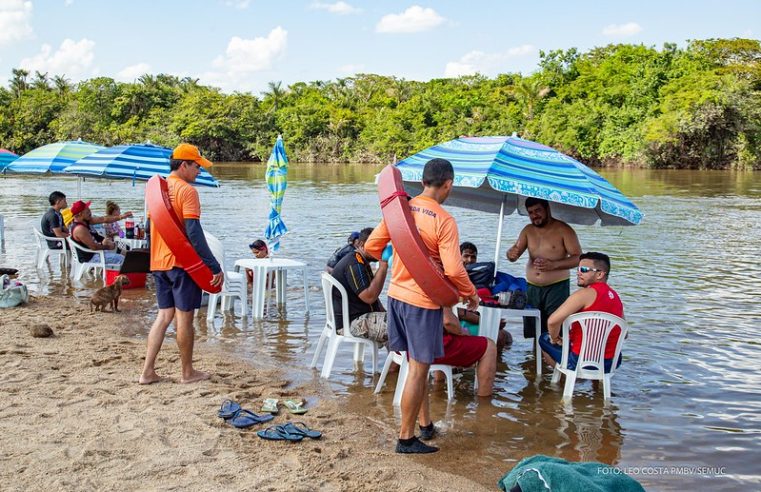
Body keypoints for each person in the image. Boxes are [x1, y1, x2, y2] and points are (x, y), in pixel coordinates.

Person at [365, 158, 479, 454]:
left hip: (396, 298)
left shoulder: (399, 210)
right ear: (448, 184)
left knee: (419, 364)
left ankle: (425, 425)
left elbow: (372, 248)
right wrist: (471, 294)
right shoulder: (444, 220)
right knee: (418, 370)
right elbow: (454, 271)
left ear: (423, 180)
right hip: (422, 303)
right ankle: (405, 438)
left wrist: (407, 257)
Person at [139, 143, 223, 385]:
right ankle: (187, 373)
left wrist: (153, 259)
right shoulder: (187, 192)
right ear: (184, 165)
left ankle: (147, 372)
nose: (199, 171)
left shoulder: (157, 191)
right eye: (197, 166)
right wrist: (213, 266)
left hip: (158, 263)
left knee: (163, 315)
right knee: (184, 318)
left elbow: (148, 229)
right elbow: (194, 233)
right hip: (181, 264)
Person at [506, 197, 582, 337]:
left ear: (547, 208)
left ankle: (553, 358)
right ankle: (535, 358)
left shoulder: (563, 229)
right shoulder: (527, 230)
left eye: (538, 211)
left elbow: (579, 258)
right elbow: (514, 254)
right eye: (531, 212)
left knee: (555, 332)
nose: (534, 215)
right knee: (534, 331)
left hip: (556, 287)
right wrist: (510, 254)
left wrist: (554, 265)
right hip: (532, 288)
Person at [538, 252, 625, 372]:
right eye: (578, 269)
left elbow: (553, 321)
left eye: (584, 269)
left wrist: (555, 339)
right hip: (610, 363)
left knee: (543, 338)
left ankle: (566, 378)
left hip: (579, 361)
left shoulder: (583, 294)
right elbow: (624, 334)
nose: (578, 272)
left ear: (600, 274)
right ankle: (596, 387)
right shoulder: (616, 298)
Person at [330, 227, 389, 342]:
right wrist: (383, 267)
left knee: (401, 321)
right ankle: (402, 359)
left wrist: (385, 313)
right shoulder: (354, 264)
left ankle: (395, 359)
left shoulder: (360, 261)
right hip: (351, 323)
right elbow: (370, 297)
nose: (381, 249)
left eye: (383, 246)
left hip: (359, 317)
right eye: (377, 245)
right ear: (361, 244)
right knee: (401, 326)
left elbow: (374, 299)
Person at [458, 241, 512, 351]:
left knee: (507, 337)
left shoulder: (480, 279)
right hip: (461, 322)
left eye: (473, 257)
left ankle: (495, 365)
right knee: (499, 336)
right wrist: (493, 322)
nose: (469, 260)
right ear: (458, 257)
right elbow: (460, 312)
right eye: (466, 256)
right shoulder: (456, 279)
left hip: (478, 318)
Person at [69, 200, 125, 267]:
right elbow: (94, 247)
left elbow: (103, 219)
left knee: (122, 253)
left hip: (95, 252)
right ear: (80, 214)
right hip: (90, 257)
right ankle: (118, 277)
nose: (90, 212)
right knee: (121, 259)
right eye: (87, 211)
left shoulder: (86, 221)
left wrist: (120, 217)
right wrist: (108, 247)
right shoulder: (80, 229)